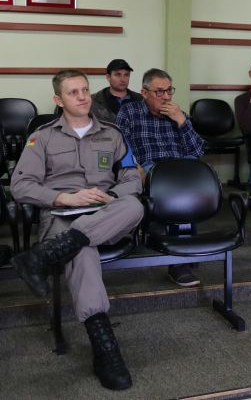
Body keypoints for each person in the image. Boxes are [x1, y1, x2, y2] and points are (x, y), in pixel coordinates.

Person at [11, 70, 144, 391]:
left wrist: (112, 196)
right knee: (81, 250)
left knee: (134, 205)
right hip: (61, 213)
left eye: (85, 89)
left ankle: (43, 256)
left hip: (104, 212)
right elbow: (20, 185)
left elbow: (133, 177)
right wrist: (63, 197)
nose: (83, 96)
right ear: (58, 99)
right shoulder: (42, 137)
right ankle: (105, 348)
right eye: (73, 92)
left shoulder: (112, 134)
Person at [115, 68, 205, 287]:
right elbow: (119, 145)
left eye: (169, 91)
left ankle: (181, 251)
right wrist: (133, 167)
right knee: (178, 190)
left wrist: (181, 121)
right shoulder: (129, 112)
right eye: (159, 92)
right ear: (144, 93)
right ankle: (180, 260)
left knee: (191, 183)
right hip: (150, 167)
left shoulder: (178, 114)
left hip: (181, 167)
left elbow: (198, 151)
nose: (166, 97)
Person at [90, 59, 143, 123]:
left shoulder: (141, 100)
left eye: (126, 75)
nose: (123, 79)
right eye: (118, 75)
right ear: (108, 77)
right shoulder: (93, 100)